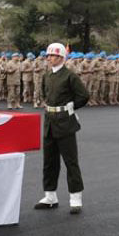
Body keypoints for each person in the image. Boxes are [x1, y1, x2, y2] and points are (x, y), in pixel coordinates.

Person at [35, 43, 90, 214]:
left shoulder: (69, 76)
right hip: (50, 121)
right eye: (48, 55)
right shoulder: (47, 76)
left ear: (60, 57)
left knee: (70, 161)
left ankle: (75, 197)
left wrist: (71, 106)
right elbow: (45, 95)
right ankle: (50, 196)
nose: (49, 58)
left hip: (65, 122)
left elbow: (84, 96)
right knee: (49, 162)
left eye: (52, 55)